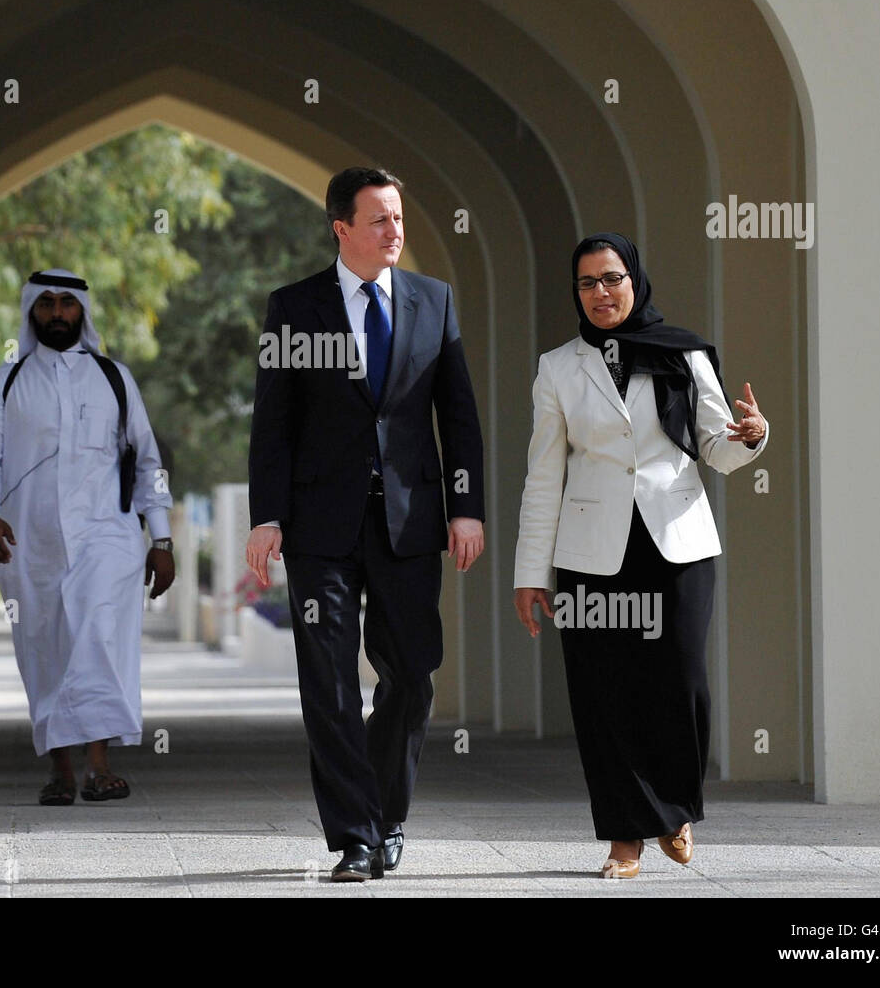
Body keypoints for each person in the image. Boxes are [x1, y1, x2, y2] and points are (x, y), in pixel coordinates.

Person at [246, 167, 485, 882]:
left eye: (400, 218)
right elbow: (273, 423)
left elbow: (460, 415)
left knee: (412, 674)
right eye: (379, 219)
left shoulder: (432, 301)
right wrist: (266, 517)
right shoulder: (293, 308)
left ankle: (388, 813)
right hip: (321, 527)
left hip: (411, 522)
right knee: (329, 680)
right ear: (341, 227)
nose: (395, 231)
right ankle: (354, 835)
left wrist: (466, 505)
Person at [512, 232, 769, 877]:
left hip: (676, 541)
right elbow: (543, 474)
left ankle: (674, 806)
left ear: (635, 280)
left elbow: (717, 446)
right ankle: (623, 837)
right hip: (589, 553)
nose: (602, 292)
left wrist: (752, 437)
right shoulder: (558, 367)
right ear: (575, 293)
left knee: (681, 681)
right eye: (588, 283)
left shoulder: (682, 353)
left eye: (612, 278)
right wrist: (529, 574)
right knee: (604, 694)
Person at [0, 269, 174, 806]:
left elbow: (148, 462)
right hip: (29, 543)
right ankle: (61, 770)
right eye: (47, 304)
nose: (58, 313)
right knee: (45, 647)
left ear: (83, 311)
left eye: (67, 304)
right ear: (32, 311)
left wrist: (163, 539)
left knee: (99, 639)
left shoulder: (114, 378)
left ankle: (99, 767)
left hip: (109, 536)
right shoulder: (5, 382)